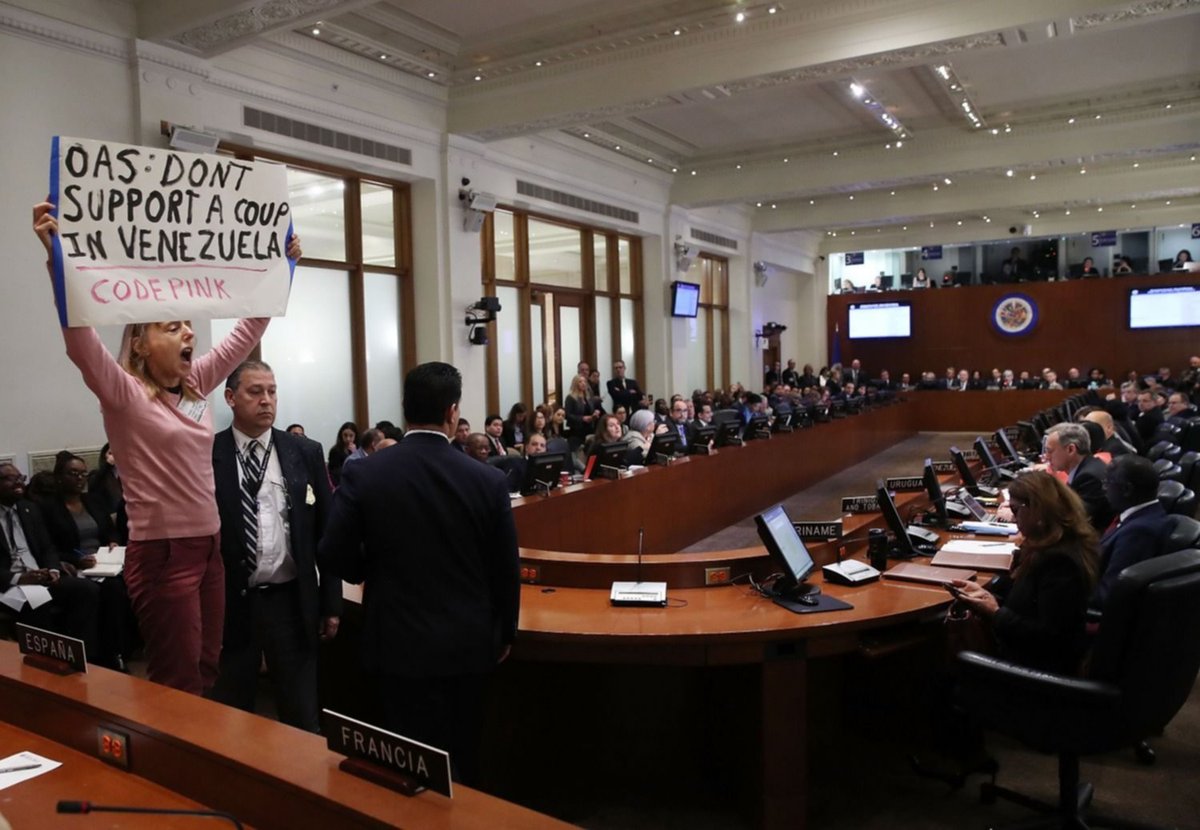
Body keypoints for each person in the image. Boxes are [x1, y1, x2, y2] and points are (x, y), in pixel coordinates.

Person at [32, 201, 302, 696]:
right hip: (162, 554)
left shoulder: (197, 382)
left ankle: (190, 765)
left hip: (211, 549)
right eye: (172, 326)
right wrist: (57, 258)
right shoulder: (124, 394)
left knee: (205, 669)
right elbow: (79, 340)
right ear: (139, 343)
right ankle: (169, 770)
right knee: (176, 681)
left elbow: (247, 331)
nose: (190, 333)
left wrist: (281, 269)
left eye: (188, 326)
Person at [319, 362, 519, 786]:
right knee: (463, 750)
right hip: (468, 640)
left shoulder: (366, 472)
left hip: (396, 637)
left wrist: (368, 569)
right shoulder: (487, 480)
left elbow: (333, 552)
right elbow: (505, 568)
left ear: (405, 410)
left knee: (405, 760)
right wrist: (505, 632)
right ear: (453, 412)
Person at [210, 361, 340, 731]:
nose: (266, 401)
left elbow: (325, 534)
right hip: (232, 601)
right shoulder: (209, 452)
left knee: (301, 714)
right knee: (230, 714)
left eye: (272, 391)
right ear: (231, 398)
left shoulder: (304, 451)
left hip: (291, 601)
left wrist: (330, 604)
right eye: (255, 392)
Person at [950, 471, 1097, 674]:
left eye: (1016, 510)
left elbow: (1049, 637)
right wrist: (987, 595)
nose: (1014, 518)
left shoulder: (1060, 562)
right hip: (1028, 658)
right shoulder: (1052, 545)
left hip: (1035, 673)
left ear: (1037, 510)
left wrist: (995, 612)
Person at [35, 453, 135, 670]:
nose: (80, 479)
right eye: (73, 474)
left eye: (83, 474)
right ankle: (91, 655)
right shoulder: (48, 508)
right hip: (75, 566)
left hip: (103, 564)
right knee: (92, 592)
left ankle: (115, 653)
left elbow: (111, 531)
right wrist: (77, 560)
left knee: (116, 588)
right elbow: (48, 546)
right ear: (59, 477)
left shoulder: (92, 501)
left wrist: (113, 543)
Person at [0, 462, 100, 659]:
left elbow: (47, 548)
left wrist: (53, 570)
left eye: (21, 478)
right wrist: (18, 578)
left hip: (40, 576)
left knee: (87, 590)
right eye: (11, 479)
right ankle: (47, 665)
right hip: (8, 584)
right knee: (37, 603)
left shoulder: (29, 509)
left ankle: (83, 657)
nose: (19, 483)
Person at [1092, 455, 1168, 610]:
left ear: (1127, 489)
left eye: (1107, 483)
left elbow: (1108, 594)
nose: (1104, 488)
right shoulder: (1144, 515)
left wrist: (1066, 595)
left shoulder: (1139, 533)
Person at [1042, 423, 1112, 532]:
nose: (1046, 457)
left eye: (1050, 451)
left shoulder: (1088, 477)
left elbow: (1072, 520)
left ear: (1071, 449)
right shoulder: (1088, 467)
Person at [564, 375, 600, 448]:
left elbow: (593, 409)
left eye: (584, 381)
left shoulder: (588, 397)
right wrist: (582, 418)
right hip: (576, 430)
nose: (583, 383)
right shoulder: (570, 398)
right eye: (580, 382)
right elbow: (568, 415)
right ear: (575, 384)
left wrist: (596, 413)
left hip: (590, 428)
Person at [327, 422, 358, 486]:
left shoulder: (359, 449)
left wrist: (355, 453)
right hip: (341, 482)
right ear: (341, 435)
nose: (348, 439)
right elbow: (334, 471)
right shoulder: (335, 451)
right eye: (345, 435)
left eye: (351, 436)